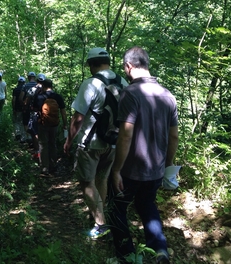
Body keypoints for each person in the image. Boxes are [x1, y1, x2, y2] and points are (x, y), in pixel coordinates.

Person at [109, 46, 178, 264]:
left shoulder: (130, 94)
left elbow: (125, 135)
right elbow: (174, 136)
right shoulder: (167, 95)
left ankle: (128, 255)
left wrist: (117, 170)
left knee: (116, 208)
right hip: (156, 169)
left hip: (130, 169)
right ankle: (159, 251)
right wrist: (168, 165)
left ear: (128, 66)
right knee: (147, 205)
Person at [63, 47, 128, 239]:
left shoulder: (90, 83)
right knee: (102, 178)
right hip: (114, 141)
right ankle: (101, 213)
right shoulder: (122, 82)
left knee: (86, 182)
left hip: (90, 143)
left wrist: (68, 141)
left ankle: (100, 223)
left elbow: (78, 118)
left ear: (91, 64)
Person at [33, 78, 67, 174]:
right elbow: (63, 113)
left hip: (42, 124)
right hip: (54, 124)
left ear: (43, 86)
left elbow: (35, 110)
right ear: (52, 86)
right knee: (52, 143)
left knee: (43, 144)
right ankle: (53, 165)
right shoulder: (58, 97)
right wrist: (65, 124)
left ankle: (45, 167)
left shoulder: (40, 97)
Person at [19, 72, 37, 143]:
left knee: (26, 123)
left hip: (27, 108)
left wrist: (24, 105)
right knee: (35, 124)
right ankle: (35, 139)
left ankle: (29, 137)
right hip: (37, 109)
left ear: (28, 77)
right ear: (34, 78)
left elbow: (20, 98)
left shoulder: (25, 86)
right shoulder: (38, 86)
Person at [12, 76, 27, 141]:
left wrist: (14, 108)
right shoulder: (26, 89)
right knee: (23, 122)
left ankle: (18, 134)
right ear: (24, 82)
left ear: (18, 82)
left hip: (17, 108)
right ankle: (23, 137)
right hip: (24, 108)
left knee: (17, 121)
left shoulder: (16, 89)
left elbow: (14, 100)